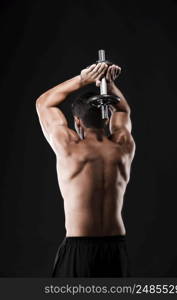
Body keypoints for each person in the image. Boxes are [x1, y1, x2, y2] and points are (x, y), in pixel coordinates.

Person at [35, 62, 136, 277]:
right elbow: (124, 110)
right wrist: (108, 84)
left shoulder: (68, 148)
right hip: (115, 248)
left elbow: (44, 104)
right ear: (107, 117)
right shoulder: (123, 146)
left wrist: (84, 78)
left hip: (79, 249)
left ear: (78, 122)